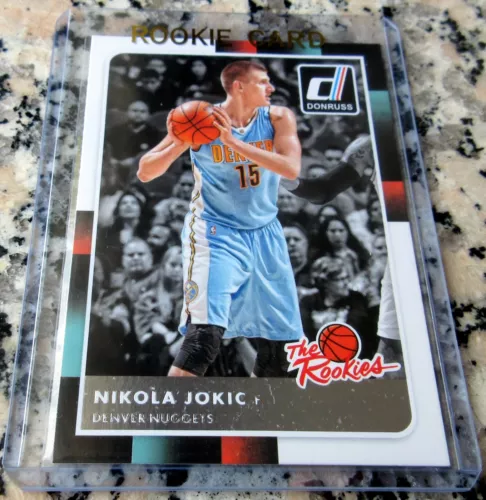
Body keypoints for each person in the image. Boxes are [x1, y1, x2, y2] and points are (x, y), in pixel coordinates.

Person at [138, 59, 306, 378]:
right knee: (203, 339)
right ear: (239, 86)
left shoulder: (279, 118)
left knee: (279, 350)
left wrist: (233, 143)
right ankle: (166, 409)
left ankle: (260, 411)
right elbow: (145, 171)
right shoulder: (202, 118)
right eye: (263, 82)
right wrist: (180, 144)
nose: (271, 88)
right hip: (215, 233)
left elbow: (291, 168)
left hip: (265, 233)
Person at [300, 256, 378, 360]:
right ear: (325, 283)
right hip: (319, 358)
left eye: (347, 278)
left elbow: (353, 330)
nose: (346, 283)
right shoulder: (308, 302)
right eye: (340, 279)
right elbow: (306, 335)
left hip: (352, 358)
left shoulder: (356, 299)